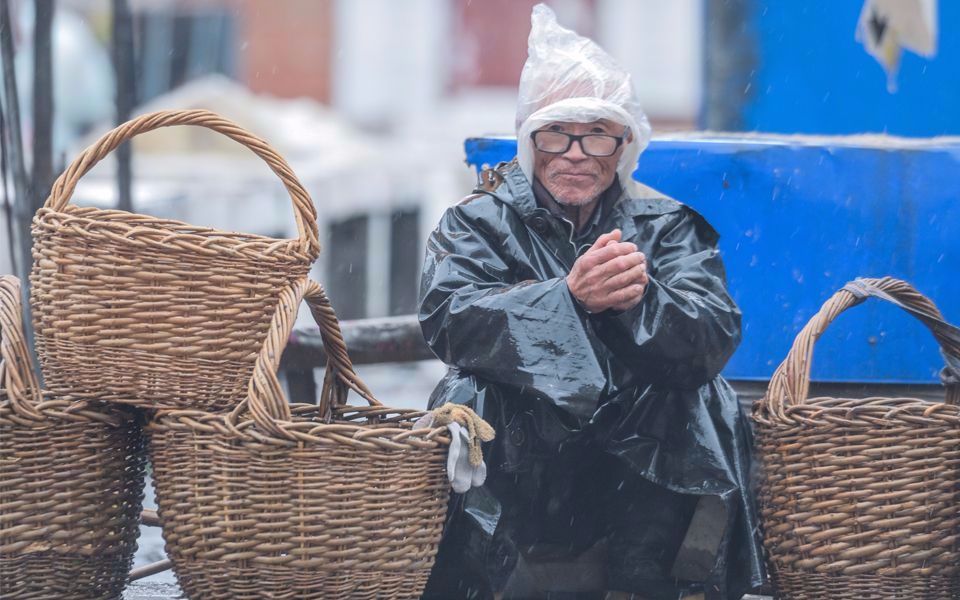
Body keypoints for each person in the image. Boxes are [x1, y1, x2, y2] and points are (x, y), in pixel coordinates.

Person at [418, 5, 765, 599]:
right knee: (463, 398)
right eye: (558, 132)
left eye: (596, 133)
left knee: (707, 398)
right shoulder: (476, 223)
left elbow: (712, 337)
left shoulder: (667, 226)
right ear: (531, 141)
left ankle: (652, 583)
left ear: (623, 145)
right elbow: (449, 319)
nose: (576, 152)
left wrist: (638, 301)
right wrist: (566, 300)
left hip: (633, 470)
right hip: (529, 460)